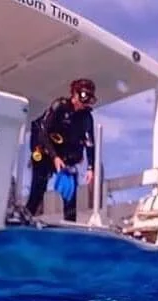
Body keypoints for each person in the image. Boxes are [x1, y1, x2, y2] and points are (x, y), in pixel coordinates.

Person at [25, 78, 97, 222]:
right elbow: (43, 134)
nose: (86, 101)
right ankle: (28, 214)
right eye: (83, 95)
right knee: (39, 186)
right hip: (45, 148)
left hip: (65, 154)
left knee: (70, 191)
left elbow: (90, 143)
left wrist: (90, 168)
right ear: (74, 94)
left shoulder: (86, 117)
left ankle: (70, 221)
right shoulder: (60, 106)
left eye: (89, 97)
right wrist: (54, 157)